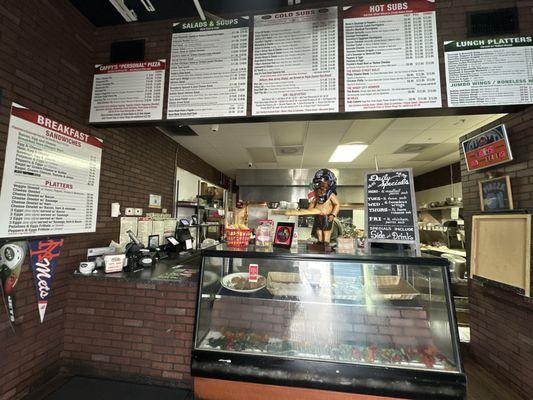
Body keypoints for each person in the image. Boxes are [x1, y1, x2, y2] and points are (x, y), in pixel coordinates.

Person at [286, 169, 340, 244]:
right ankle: (320, 242)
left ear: (329, 184)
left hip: (327, 217)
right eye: (320, 185)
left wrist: (333, 214)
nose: (322, 188)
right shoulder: (316, 195)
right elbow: (313, 203)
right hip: (318, 216)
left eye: (324, 185)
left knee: (326, 230)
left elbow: (337, 204)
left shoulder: (331, 195)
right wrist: (309, 210)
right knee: (318, 230)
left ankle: (326, 242)